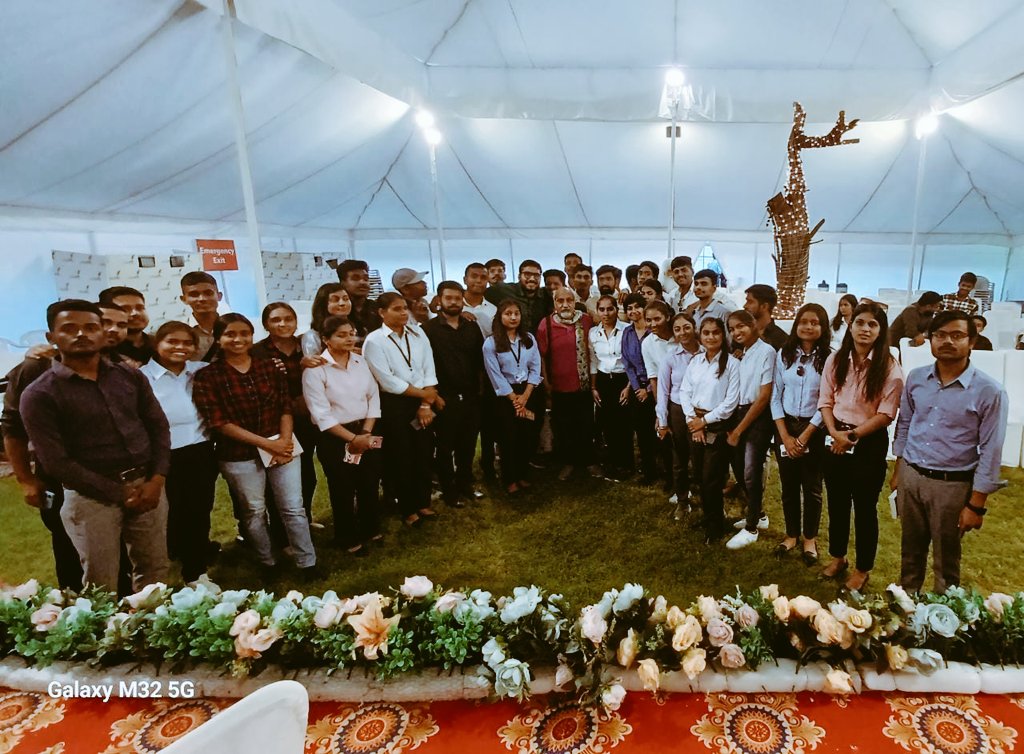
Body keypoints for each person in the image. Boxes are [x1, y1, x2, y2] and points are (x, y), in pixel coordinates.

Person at [20, 300, 170, 592]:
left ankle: (154, 633)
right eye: (69, 329)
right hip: (91, 498)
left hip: (148, 486)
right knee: (101, 582)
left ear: (103, 333)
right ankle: (109, 638)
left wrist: (157, 479)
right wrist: (119, 492)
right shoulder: (39, 393)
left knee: (155, 571)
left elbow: (158, 427)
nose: (81, 335)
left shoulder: (130, 376)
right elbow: (55, 461)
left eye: (90, 327)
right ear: (51, 338)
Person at [192, 313, 318, 580]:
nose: (238, 339)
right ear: (218, 339)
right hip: (238, 455)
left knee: (293, 507)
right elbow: (219, 422)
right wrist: (265, 444)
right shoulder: (208, 376)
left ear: (252, 336)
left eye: (244, 334)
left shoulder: (269, 367)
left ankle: (307, 562)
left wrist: (283, 440)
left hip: (282, 446)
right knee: (254, 511)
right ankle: (267, 561)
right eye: (230, 334)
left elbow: (285, 405)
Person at [892, 310, 1008, 594]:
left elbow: (992, 450)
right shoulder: (917, 378)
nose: (947, 341)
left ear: (972, 341)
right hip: (912, 477)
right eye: (940, 335)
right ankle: (906, 611)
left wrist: (976, 504)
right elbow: (905, 423)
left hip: (952, 485)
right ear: (930, 339)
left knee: (946, 563)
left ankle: (943, 623)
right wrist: (899, 470)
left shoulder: (989, 391)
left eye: (957, 335)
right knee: (910, 554)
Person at [818, 302, 904, 592]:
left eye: (873, 325)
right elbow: (826, 400)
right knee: (837, 503)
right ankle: (838, 557)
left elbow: (885, 413)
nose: (865, 329)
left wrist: (851, 436)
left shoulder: (890, 367)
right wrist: (833, 432)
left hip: (867, 443)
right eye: (860, 323)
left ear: (881, 331)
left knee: (865, 508)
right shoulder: (837, 359)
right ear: (850, 325)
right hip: (834, 436)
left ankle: (862, 568)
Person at [140, 321, 218, 583]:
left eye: (187, 343)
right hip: (163, 454)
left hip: (200, 450)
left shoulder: (201, 371)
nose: (180, 348)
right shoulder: (142, 377)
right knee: (171, 513)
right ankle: (175, 555)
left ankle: (195, 572)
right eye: (172, 342)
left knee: (198, 510)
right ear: (157, 344)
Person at [302, 316, 383, 556]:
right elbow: (321, 414)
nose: (349, 338)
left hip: (365, 430)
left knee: (369, 481)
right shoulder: (315, 371)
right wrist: (352, 439)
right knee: (343, 486)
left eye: (352, 333)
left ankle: (371, 527)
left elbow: (373, 396)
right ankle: (347, 536)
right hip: (335, 436)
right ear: (326, 340)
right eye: (341, 335)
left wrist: (366, 432)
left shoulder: (360, 361)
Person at [362, 293, 440, 526]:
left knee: (424, 452)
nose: (404, 313)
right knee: (402, 456)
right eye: (397, 309)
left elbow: (429, 366)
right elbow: (387, 381)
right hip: (395, 404)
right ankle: (408, 508)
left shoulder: (418, 332)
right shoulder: (374, 341)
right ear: (382, 313)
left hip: (423, 400)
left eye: (405, 308)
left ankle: (423, 502)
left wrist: (426, 403)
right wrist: (424, 395)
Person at [771, 304, 831, 564]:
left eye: (815, 322)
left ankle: (809, 538)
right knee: (789, 486)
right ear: (796, 325)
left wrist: (806, 434)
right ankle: (791, 534)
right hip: (786, 425)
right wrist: (784, 434)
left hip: (815, 427)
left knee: (813, 487)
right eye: (804, 321)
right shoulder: (784, 354)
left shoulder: (830, 357)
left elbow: (828, 399)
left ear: (822, 327)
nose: (808, 326)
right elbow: (775, 395)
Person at [252, 302, 320, 527]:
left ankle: (304, 520)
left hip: (307, 419)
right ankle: (280, 528)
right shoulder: (258, 352)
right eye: (275, 320)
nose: (283, 324)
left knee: (307, 474)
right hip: (277, 422)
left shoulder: (307, 344)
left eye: (288, 319)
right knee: (279, 476)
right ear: (265, 324)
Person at [423, 282, 486, 507]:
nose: (453, 302)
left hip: (470, 397)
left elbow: (480, 361)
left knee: (467, 445)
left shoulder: (471, 326)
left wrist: (479, 393)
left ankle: (465, 484)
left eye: (457, 298)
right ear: (439, 300)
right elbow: (424, 366)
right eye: (448, 298)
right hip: (444, 398)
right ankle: (449, 491)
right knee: (445, 447)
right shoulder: (428, 329)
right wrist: (433, 397)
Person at [679, 317, 740, 545]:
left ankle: (716, 526)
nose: (711, 337)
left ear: (723, 336)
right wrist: (692, 420)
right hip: (694, 422)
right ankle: (708, 516)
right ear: (700, 335)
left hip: (717, 424)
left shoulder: (732, 364)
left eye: (716, 333)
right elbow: (685, 391)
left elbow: (731, 402)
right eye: (706, 333)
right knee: (698, 477)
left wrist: (703, 421)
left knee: (711, 478)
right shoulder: (696, 361)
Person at [724, 310, 777, 549]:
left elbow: (764, 396)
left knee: (751, 471)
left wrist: (739, 429)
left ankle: (752, 527)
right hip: (738, 412)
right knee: (738, 467)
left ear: (753, 324)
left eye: (740, 327)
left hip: (758, 416)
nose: (736, 332)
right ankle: (760, 514)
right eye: (732, 329)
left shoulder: (767, 352)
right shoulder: (740, 354)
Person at [483, 299, 544, 495]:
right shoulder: (491, 343)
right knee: (508, 438)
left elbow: (536, 366)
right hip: (504, 397)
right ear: (500, 317)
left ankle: (522, 474)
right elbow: (494, 374)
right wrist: (514, 399)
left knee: (528, 436)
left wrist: (525, 395)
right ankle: (509, 479)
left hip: (528, 391)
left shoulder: (528, 338)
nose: (513, 317)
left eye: (516, 313)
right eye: (508, 313)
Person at [538, 287, 599, 481]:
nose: (565, 305)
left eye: (569, 300)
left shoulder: (586, 321)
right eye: (560, 301)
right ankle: (569, 462)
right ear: (554, 304)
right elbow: (541, 356)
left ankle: (589, 461)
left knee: (587, 425)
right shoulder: (546, 324)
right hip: (559, 386)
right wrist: (546, 382)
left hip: (584, 385)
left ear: (574, 302)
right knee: (565, 427)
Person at [655, 312, 700, 512]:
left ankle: (708, 499)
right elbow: (663, 391)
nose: (683, 332)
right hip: (678, 411)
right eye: (677, 329)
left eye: (686, 327)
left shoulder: (707, 352)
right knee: (680, 458)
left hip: (702, 412)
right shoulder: (670, 357)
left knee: (702, 458)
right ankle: (682, 501)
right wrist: (662, 420)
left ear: (694, 327)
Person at [590, 295, 631, 480]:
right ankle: (612, 463)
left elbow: (633, 361)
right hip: (603, 380)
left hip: (623, 379)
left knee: (623, 422)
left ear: (617, 309)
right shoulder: (593, 333)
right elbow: (593, 361)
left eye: (610, 309)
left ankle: (626, 464)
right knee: (607, 422)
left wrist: (630, 386)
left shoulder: (626, 331)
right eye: (602, 309)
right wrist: (593, 387)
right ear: (598, 311)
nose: (606, 313)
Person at [621, 292, 658, 483]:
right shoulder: (627, 333)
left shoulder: (655, 332)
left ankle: (665, 471)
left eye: (637, 306)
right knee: (642, 432)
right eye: (629, 308)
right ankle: (648, 471)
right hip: (637, 388)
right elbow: (627, 363)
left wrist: (648, 390)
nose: (633, 311)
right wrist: (636, 388)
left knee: (659, 431)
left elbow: (660, 365)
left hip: (656, 387)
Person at [642, 301, 675, 489]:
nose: (653, 324)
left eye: (657, 319)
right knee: (666, 439)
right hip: (665, 395)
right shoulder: (648, 343)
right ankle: (672, 481)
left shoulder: (680, 336)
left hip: (688, 396)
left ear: (667, 317)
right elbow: (653, 378)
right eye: (649, 320)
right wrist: (660, 408)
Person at [484, 259, 552, 333]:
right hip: (511, 342)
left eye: (536, 275)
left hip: (539, 342)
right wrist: (469, 310)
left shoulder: (546, 294)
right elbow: (476, 294)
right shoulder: (502, 290)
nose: (532, 279)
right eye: (527, 275)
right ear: (519, 276)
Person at [99, 286, 153, 364]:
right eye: (125, 309)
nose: (135, 313)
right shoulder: (102, 350)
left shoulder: (158, 345)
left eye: (140, 308)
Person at [302, 283, 357, 356]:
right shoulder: (312, 336)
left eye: (346, 299)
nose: (342, 303)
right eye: (335, 300)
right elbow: (313, 362)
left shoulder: (358, 328)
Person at [179, 271, 223, 361]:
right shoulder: (178, 331)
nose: (202, 299)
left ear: (219, 296)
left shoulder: (233, 327)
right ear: (184, 299)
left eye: (208, 293)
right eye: (194, 294)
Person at [337, 259, 383, 334]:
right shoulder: (338, 311)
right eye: (355, 278)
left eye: (366, 279)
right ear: (342, 283)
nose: (362, 282)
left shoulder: (378, 308)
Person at [743, 285, 788, 350]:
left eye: (750, 302)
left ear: (764, 306)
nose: (745, 306)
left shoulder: (780, 339)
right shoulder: (742, 332)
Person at [463, 263, 497, 338]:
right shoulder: (453, 307)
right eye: (474, 276)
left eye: (483, 277)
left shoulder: (493, 310)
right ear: (465, 280)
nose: (479, 280)